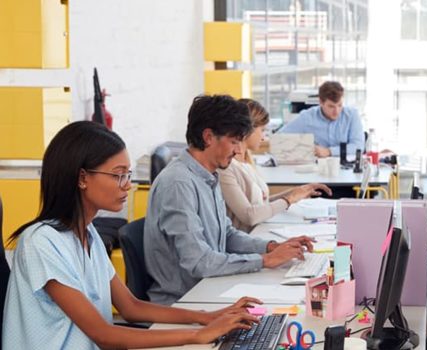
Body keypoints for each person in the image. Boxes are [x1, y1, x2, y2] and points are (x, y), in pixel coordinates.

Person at [3, 121, 260, 349]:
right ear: (82, 178)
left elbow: (130, 307)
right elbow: (104, 335)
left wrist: (207, 316)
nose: (127, 184)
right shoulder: (41, 242)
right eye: (118, 175)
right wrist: (199, 335)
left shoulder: (87, 233)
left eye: (127, 174)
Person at [144, 95, 314, 305]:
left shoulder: (208, 175)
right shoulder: (179, 184)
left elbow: (227, 235)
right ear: (208, 137)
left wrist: (271, 247)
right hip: (184, 302)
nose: (238, 150)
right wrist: (264, 260)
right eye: (234, 141)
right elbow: (199, 262)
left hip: (208, 289)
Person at [220, 98, 332, 232]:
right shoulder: (226, 168)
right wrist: (289, 199)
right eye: (262, 130)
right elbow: (250, 215)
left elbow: (262, 204)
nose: (263, 137)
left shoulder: (247, 162)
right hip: (247, 238)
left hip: (259, 230)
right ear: (247, 130)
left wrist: (296, 193)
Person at [280, 81, 365, 158]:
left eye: (339, 105)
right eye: (331, 106)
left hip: (347, 169)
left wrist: (329, 151)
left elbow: (358, 146)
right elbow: (280, 137)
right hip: (317, 169)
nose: (337, 111)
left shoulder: (352, 115)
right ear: (321, 102)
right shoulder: (307, 117)